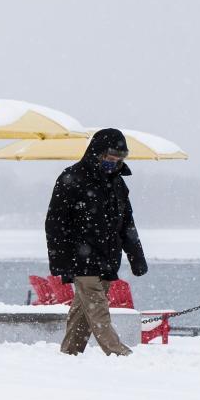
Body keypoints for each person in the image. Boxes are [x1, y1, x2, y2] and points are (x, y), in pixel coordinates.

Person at [45, 128, 148, 356]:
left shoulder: (118, 185)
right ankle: (118, 352)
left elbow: (127, 225)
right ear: (97, 153)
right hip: (81, 258)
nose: (114, 163)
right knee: (98, 308)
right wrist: (60, 262)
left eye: (118, 159)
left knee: (83, 310)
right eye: (110, 159)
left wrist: (136, 259)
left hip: (109, 258)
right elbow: (55, 223)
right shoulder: (71, 179)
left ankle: (70, 352)